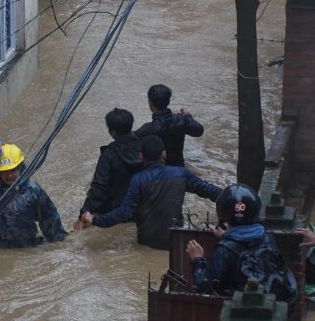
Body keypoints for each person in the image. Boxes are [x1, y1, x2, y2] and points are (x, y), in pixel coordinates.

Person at [77, 135, 221, 250]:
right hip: (176, 239)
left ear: (141, 156)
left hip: (145, 242)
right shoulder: (181, 174)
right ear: (164, 154)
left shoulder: (138, 180)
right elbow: (209, 190)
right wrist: (234, 198)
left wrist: (94, 219)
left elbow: (124, 212)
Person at [186, 184, 296, 303]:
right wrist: (227, 236)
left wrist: (197, 259)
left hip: (244, 308)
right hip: (277, 303)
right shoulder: (267, 237)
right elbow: (245, 244)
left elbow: (203, 287)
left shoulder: (224, 250)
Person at [79, 108, 142, 219]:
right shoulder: (145, 148)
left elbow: (99, 187)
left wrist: (85, 212)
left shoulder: (108, 155)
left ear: (112, 132)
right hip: (142, 211)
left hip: (115, 214)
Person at [134, 84, 204, 167]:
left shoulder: (148, 128)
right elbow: (199, 131)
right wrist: (188, 117)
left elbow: (128, 141)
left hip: (156, 169)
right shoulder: (182, 120)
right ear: (168, 102)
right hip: (178, 166)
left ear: (150, 103)